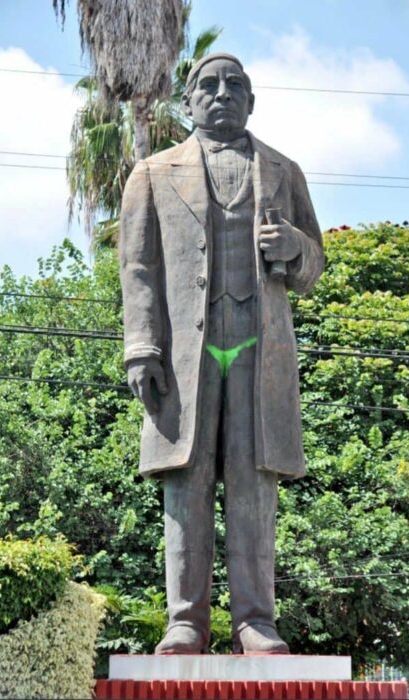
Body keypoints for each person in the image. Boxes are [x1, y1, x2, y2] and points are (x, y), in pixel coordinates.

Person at [119, 52, 324, 655]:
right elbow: (137, 267)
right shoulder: (153, 174)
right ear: (189, 102)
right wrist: (141, 346)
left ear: (252, 102)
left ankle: (255, 621)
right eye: (208, 85)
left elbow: (315, 263)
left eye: (236, 85)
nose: (222, 93)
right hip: (187, 353)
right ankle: (185, 620)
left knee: (254, 482)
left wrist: (294, 247)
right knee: (186, 480)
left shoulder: (284, 170)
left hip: (259, 351)